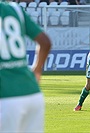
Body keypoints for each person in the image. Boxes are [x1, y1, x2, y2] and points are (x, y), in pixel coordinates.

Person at [0, 1, 51, 132]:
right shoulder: (15, 9)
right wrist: (37, 69)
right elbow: (45, 42)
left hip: (5, 98)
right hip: (32, 94)